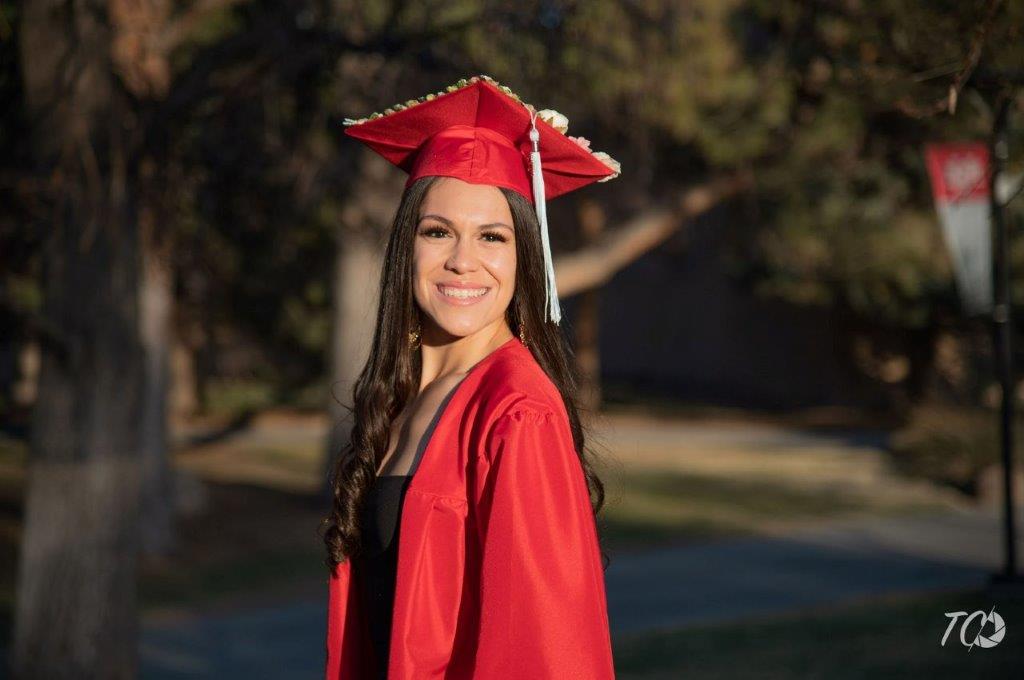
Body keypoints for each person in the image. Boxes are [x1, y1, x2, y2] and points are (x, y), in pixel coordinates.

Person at [321, 74, 621, 680]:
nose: (463, 260)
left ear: (524, 260)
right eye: (438, 232)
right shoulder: (402, 398)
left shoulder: (516, 412)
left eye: (492, 236)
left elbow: (543, 654)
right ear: (407, 245)